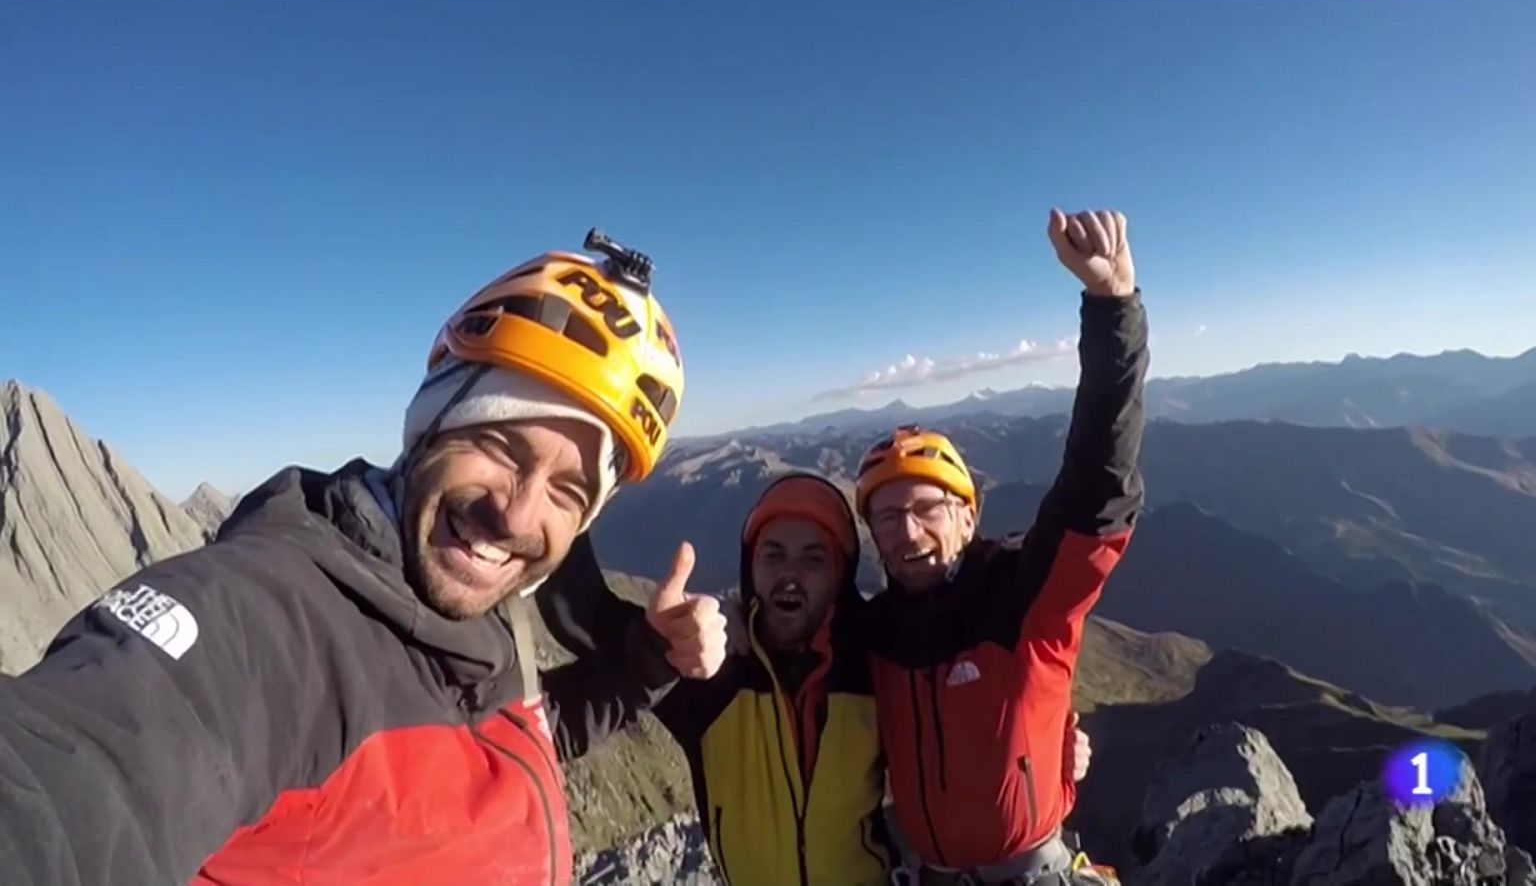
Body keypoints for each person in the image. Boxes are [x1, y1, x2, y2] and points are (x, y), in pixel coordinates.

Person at [0, 231, 729, 886]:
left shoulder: (483, 610)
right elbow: (73, 777)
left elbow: (520, 736)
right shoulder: (270, 620)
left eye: (568, 491)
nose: (516, 514)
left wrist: (644, 665)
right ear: (430, 429)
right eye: (500, 445)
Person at [855, 208, 1148, 885]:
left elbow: (1096, 486)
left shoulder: (1022, 595)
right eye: (887, 515)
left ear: (967, 517)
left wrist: (1113, 307)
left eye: (927, 508)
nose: (906, 530)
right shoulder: (870, 632)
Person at [651, 471, 894, 886]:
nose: (790, 574)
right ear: (751, 571)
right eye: (774, 555)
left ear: (840, 577)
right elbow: (579, 615)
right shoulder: (708, 676)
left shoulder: (877, 661)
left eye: (813, 558)